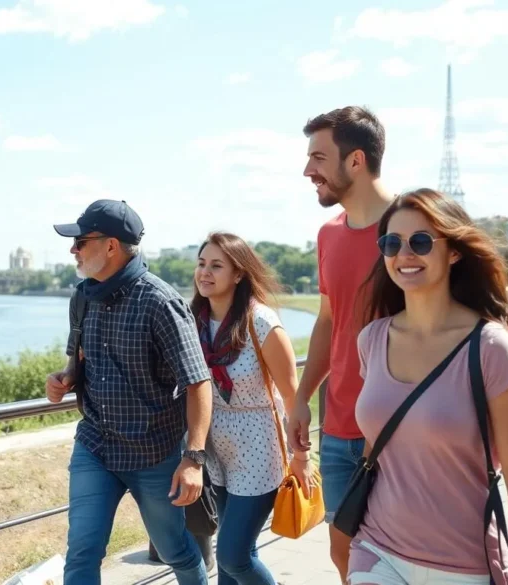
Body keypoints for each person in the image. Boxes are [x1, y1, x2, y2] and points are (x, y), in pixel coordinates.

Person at [348, 188, 508, 585]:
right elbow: (378, 442)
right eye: (391, 243)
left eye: (420, 242)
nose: (404, 254)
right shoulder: (372, 339)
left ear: (453, 251)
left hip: (464, 566)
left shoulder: (491, 348)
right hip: (377, 550)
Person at [45, 199, 213, 585]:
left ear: (110, 246)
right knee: (82, 552)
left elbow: (197, 382)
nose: (73, 250)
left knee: (175, 549)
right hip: (95, 446)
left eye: (80, 241)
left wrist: (193, 459)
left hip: (153, 453)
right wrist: (65, 378)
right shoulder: (82, 297)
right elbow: (78, 362)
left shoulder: (160, 302)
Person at [287, 105, 395, 581]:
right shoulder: (327, 235)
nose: (308, 170)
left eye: (318, 157)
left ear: (355, 161)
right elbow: (330, 323)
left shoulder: (411, 230)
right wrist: (300, 398)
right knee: (344, 554)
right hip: (337, 428)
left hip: (398, 427)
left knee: (401, 554)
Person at [191, 232, 318, 585]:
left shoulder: (261, 322)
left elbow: (293, 397)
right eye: (202, 264)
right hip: (218, 450)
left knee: (232, 555)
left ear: (238, 274)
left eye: (217, 265)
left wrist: (301, 457)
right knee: (241, 550)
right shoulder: (195, 321)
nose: (205, 272)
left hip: (259, 447)